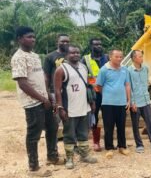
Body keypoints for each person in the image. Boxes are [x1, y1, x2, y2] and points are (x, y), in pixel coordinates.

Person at [11, 26, 62, 176]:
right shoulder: (19, 57)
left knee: (52, 128)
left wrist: (48, 96)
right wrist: (41, 99)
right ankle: (33, 168)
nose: (32, 39)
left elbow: (41, 79)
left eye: (33, 37)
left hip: (44, 100)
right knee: (34, 134)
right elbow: (22, 83)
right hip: (32, 103)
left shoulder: (34, 55)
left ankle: (52, 157)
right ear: (20, 39)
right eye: (28, 37)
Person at [54, 45, 97, 169]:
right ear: (66, 54)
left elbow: (88, 86)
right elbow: (57, 90)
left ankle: (84, 155)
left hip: (84, 107)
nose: (76, 54)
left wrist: (92, 102)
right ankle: (69, 158)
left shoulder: (83, 67)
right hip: (70, 109)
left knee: (84, 133)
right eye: (72, 53)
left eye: (78, 52)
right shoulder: (61, 70)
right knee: (69, 135)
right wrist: (60, 107)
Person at [96, 49, 131, 157]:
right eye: (117, 57)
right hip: (108, 103)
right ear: (110, 57)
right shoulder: (104, 70)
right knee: (108, 127)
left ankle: (122, 147)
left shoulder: (125, 69)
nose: (119, 59)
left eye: (121, 57)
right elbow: (99, 86)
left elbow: (127, 85)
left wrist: (128, 100)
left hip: (122, 103)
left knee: (121, 126)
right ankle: (109, 148)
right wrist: (108, 94)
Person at [127, 50, 151, 153]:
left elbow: (146, 84)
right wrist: (132, 102)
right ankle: (139, 145)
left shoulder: (145, 68)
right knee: (135, 124)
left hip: (146, 101)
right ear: (134, 58)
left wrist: (149, 99)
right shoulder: (128, 71)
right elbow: (129, 87)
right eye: (139, 56)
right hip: (135, 102)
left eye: (142, 56)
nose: (142, 58)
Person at [82, 38, 109, 151]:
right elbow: (82, 75)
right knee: (94, 117)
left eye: (100, 44)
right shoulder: (85, 59)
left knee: (108, 117)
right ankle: (96, 142)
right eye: (95, 44)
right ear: (90, 46)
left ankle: (108, 141)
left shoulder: (107, 58)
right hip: (93, 94)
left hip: (107, 92)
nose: (98, 46)